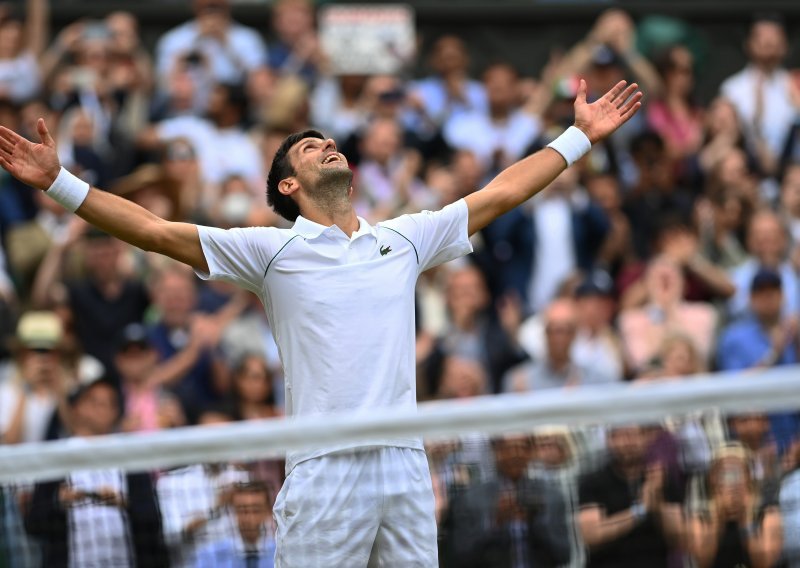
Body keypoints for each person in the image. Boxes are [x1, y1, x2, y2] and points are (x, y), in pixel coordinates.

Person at [0, 77, 641, 566]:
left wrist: (578, 136)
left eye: (331, 142)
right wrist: (59, 182)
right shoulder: (267, 250)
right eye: (312, 147)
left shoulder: (407, 237)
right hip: (323, 468)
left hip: (403, 463)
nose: (329, 146)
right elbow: (154, 230)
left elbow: (501, 192)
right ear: (288, 187)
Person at [25, 377, 169, 568]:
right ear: (76, 408)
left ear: (115, 412)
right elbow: (34, 525)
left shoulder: (131, 460)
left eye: (108, 403)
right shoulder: (55, 459)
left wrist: (124, 504)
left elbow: (154, 522)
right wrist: (58, 503)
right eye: (93, 401)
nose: (100, 408)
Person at [444, 434, 572, 568]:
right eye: (508, 448)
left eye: (522, 448)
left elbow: (564, 555)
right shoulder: (470, 499)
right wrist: (495, 523)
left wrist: (536, 522)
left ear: (531, 453)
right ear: (495, 451)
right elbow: (460, 558)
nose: (516, 454)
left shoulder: (551, 495)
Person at [577, 425, 684, 568]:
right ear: (609, 440)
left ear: (646, 438)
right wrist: (639, 511)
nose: (627, 443)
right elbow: (591, 536)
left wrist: (657, 499)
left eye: (633, 435)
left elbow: (676, 537)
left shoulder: (661, 477)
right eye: (619, 436)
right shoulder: (593, 481)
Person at [688, 443, 783, 568]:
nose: (731, 482)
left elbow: (764, 563)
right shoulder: (700, 518)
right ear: (712, 478)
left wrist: (746, 518)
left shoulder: (768, 513)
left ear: (748, 476)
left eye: (736, 473)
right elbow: (702, 562)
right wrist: (717, 518)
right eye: (724, 474)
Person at [194, 481, 276, 568]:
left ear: (267, 511)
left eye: (255, 510)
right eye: (242, 510)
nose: (248, 518)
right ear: (233, 511)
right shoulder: (209, 556)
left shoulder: (280, 552)